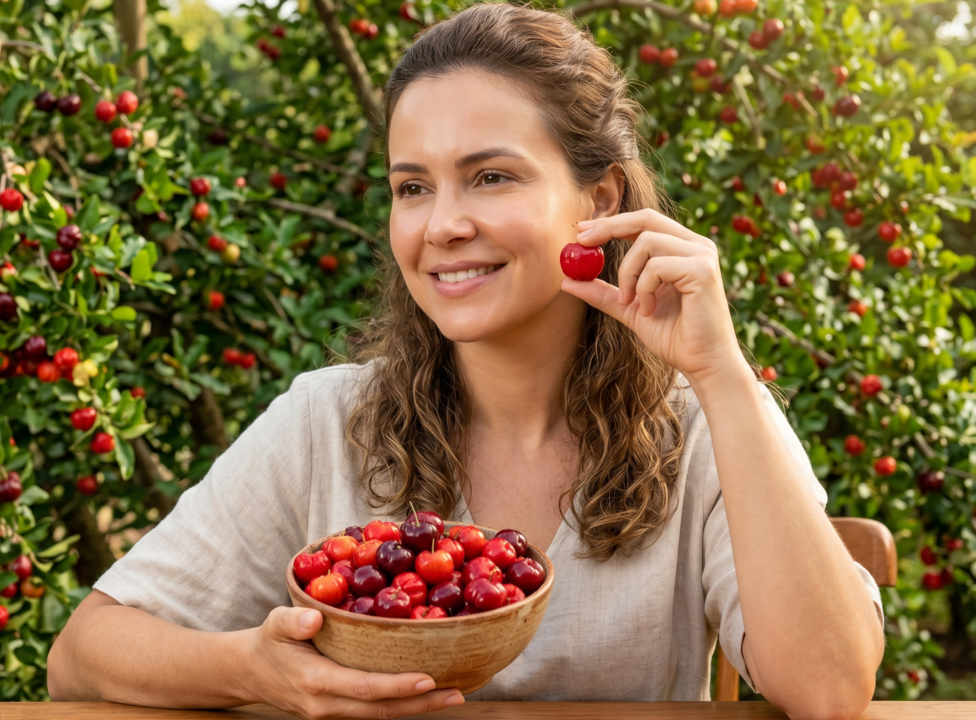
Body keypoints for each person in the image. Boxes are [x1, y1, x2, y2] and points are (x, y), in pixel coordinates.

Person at [47, 4, 885, 718]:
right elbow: (84, 656)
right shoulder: (327, 421)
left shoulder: (704, 423)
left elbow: (829, 689)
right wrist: (252, 670)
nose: (440, 224)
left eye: (489, 177)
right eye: (412, 187)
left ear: (599, 202)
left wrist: (723, 374)